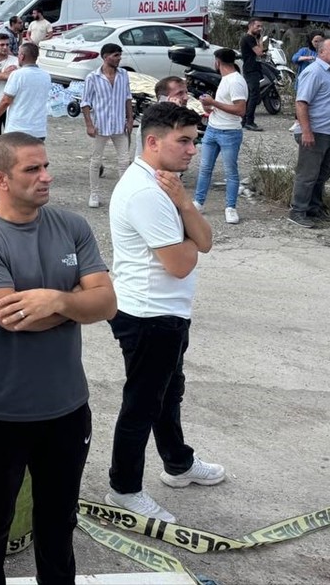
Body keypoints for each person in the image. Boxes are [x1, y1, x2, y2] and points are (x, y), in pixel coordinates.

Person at [0, 133, 116, 584]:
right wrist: (75, 302)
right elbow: (11, 317)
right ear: (0, 179)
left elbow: (107, 304)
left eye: (46, 166)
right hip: (4, 405)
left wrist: (57, 303)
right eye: (33, 169)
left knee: (58, 522)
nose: (47, 176)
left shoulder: (72, 226)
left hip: (67, 405)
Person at [106, 102, 219, 524]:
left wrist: (187, 207)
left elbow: (204, 242)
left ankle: (178, 463)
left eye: (194, 141)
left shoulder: (168, 187)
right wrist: (188, 233)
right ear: (153, 142)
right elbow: (182, 262)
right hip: (148, 315)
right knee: (142, 403)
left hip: (168, 312)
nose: (193, 150)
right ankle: (124, 487)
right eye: (184, 141)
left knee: (169, 394)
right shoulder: (145, 193)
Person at [288, 38, 330, 228]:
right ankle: (297, 211)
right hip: (316, 132)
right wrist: (307, 131)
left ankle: (313, 207)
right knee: (308, 174)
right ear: (321, 52)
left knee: (323, 173)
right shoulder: (314, 72)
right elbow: (301, 102)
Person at [192, 49, 248, 223]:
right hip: (213, 128)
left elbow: (240, 110)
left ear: (217, 61)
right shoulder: (225, 79)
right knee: (204, 168)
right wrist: (209, 107)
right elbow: (226, 105)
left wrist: (213, 102)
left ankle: (231, 207)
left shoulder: (236, 81)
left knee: (230, 171)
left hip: (229, 132)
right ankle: (198, 202)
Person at [81, 44, 133, 209]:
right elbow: (85, 102)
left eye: (120, 55)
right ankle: (94, 193)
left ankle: (123, 195)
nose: (119, 59)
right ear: (105, 57)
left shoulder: (123, 74)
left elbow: (127, 98)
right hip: (100, 125)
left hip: (119, 125)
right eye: (116, 55)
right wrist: (89, 124)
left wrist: (130, 119)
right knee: (96, 161)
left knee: (124, 161)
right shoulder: (93, 77)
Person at [0, 42, 51, 141]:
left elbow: (6, 100)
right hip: (38, 129)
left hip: (18, 129)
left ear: (22, 56)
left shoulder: (17, 75)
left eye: (18, 54)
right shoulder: (46, 76)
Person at [238, 18, 266, 132]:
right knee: (253, 96)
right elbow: (259, 52)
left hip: (254, 68)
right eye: (257, 26)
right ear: (250, 26)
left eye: (261, 27)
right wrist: (261, 40)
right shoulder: (249, 38)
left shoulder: (252, 38)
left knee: (251, 95)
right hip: (250, 70)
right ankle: (249, 121)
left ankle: (245, 120)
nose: (259, 29)